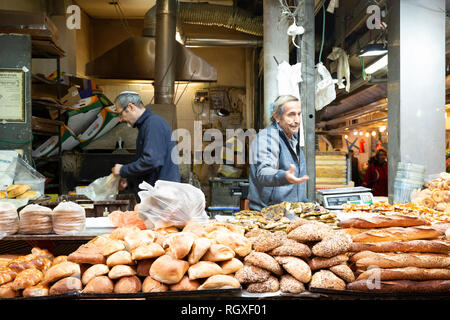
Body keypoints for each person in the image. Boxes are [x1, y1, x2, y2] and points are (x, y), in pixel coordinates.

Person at [111, 91, 180, 199]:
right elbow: (149, 166)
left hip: (162, 198)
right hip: (157, 196)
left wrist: (123, 170)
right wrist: (129, 181)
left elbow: (151, 161)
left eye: (120, 114)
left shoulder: (153, 124)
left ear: (130, 107)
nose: (120, 119)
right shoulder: (146, 125)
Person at [247, 95, 309, 211]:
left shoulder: (293, 140)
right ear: (277, 117)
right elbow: (264, 172)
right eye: (291, 114)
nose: (297, 120)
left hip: (290, 214)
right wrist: (284, 176)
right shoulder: (267, 138)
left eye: (299, 114)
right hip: (269, 215)